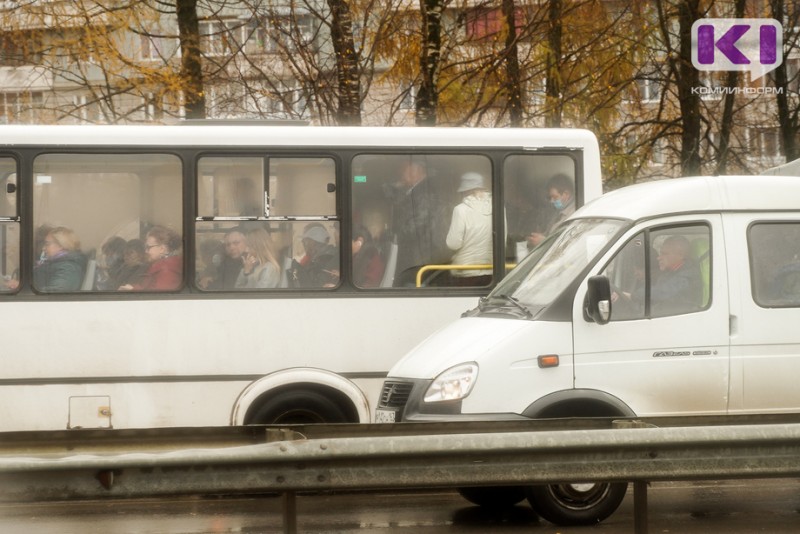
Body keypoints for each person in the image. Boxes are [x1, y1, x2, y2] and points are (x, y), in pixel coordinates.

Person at [384, 159, 447, 286]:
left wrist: (397, 233)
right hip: (417, 253)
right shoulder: (415, 190)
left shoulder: (424, 192)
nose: (401, 174)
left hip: (420, 254)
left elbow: (419, 221)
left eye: (405, 170)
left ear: (415, 171)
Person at [445, 172, 493, 286]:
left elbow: (453, 244)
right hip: (491, 269)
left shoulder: (460, 210)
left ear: (465, 191)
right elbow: (502, 242)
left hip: (466, 271)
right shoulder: (498, 207)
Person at [649, 235, 702, 316]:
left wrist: (633, 296)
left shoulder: (688, 276)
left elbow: (663, 293)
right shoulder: (671, 272)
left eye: (665, 254)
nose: (659, 258)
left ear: (681, 255)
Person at [120, 226, 182, 291]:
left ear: (162, 249)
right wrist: (132, 288)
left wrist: (134, 290)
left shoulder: (168, 271)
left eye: (148, 247)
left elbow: (159, 298)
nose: (146, 251)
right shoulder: (165, 266)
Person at [528, 173, 576, 247]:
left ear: (566, 194)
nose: (552, 201)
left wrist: (543, 242)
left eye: (555, 197)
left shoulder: (575, 214)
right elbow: (550, 234)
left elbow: (569, 243)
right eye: (550, 198)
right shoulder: (558, 212)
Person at [33, 226, 86, 292]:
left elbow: (56, 294)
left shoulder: (69, 268)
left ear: (61, 245)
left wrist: (31, 291)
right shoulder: (56, 263)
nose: (43, 248)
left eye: (47, 244)